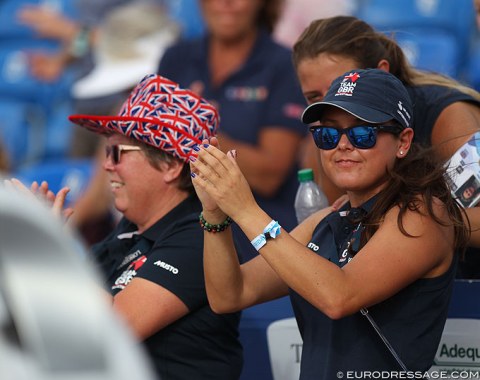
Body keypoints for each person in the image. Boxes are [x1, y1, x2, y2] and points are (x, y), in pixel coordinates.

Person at [190, 68, 470, 377]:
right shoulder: (325, 220)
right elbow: (230, 294)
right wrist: (215, 216)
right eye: (328, 134)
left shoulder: (423, 215)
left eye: (363, 133)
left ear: (403, 141)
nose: (343, 145)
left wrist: (246, 210)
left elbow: (339, 296)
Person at [67, 74, 243, 380]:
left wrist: (50, 249)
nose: (107, 165)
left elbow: (111, 330)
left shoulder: (199, 236)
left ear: (171, 166)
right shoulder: (126, 231)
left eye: (117, 153)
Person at [292, 15, 480, 278]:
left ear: (382, 71)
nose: (332, 104)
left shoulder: (449, 118)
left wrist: (421, 221)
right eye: (314, 98)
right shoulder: (327, 135)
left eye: (343, 86)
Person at [158, 0, 307, 262]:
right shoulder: (175, 58)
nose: (226, 4)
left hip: (257, 232)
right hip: (179, 223)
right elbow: (155, 155)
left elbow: (269, 175)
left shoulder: (283, 64)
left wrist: (196, 132)